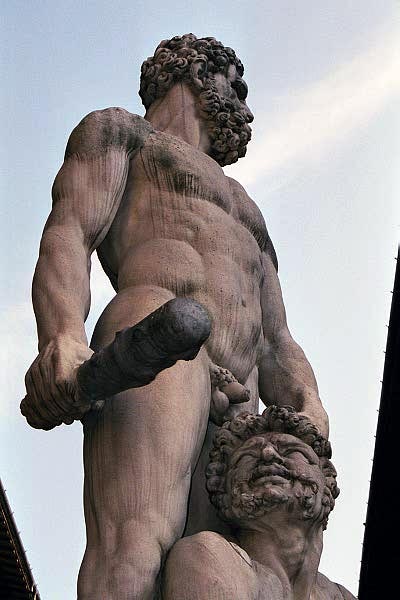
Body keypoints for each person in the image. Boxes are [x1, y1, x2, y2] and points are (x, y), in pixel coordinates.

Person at [21, 34, 328, 599]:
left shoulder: (249, 211)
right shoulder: (123, 134)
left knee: (221, 571)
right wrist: (62, 333)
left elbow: (277, 338)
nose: (244, 101)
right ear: (188, 69)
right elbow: (69, 232)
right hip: (160, 345)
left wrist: (308, 404)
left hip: (243, 405)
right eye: (233, 81)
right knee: (136, 547)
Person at [164, 406, 356, 599]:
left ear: (328, 482)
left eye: (292, 451)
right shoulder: (206, 557)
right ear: (223, 490)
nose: (268, 454)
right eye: (247, 457)